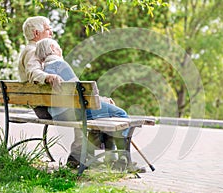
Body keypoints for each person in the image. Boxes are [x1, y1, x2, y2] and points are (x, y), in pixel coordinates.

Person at [18, 16, 144, 172]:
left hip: (53, 105)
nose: (51, 31)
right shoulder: (34, 51)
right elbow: (33, 72)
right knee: (103, 113)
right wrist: (49, 77)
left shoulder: (37, 53)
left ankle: (82, 156)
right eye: (47, 28)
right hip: (50, 107)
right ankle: (117, 159)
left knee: (85, 111)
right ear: (37, 33)